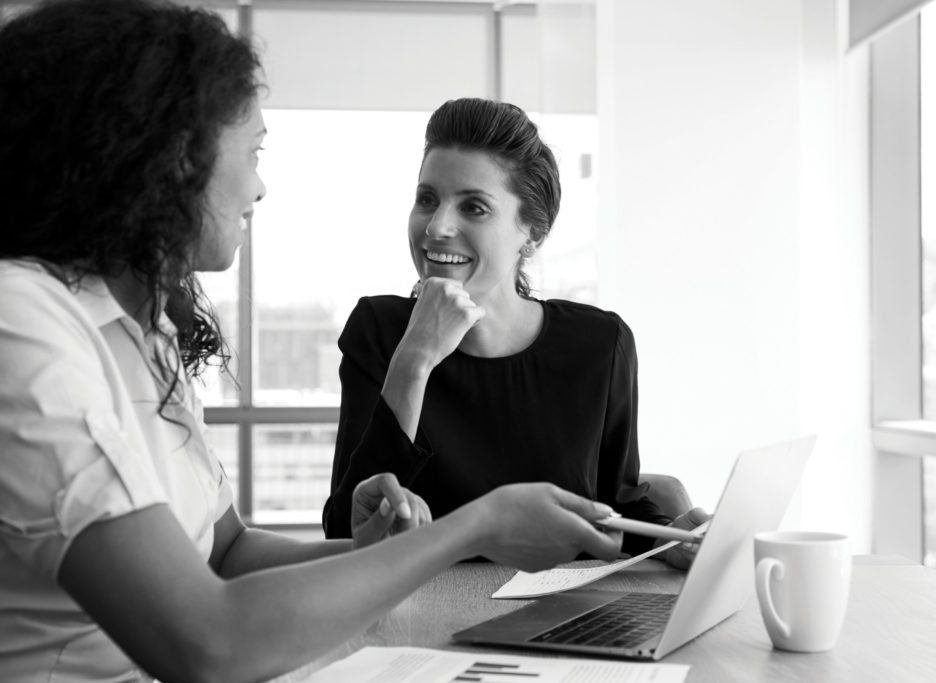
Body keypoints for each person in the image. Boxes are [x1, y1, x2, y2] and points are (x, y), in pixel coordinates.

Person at [0, 2, 625, 681]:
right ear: (166, 159)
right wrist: (473, 527)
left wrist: (372, 550)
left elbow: (226, 549)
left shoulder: (143, 331)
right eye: (252, 153)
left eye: (473, 205)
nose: (259, 186)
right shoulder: (22, 324)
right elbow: (206, 641)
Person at [322, 97, 708, 565]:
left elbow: (616, 503)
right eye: (428, 199)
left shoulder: (600, 345)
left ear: (533, 233)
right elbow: (346, 530)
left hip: (564, 617)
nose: (438, 225)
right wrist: (415, 358)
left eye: (474, 208)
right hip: (424, 618)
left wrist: (669, 538)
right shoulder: (379, 332)